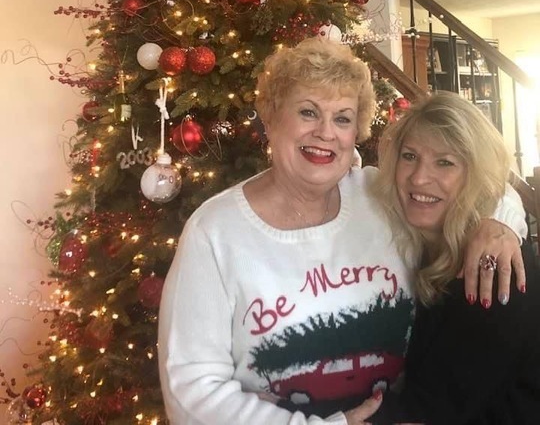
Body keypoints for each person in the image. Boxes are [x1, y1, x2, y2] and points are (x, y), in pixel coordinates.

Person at [158, 38, 527, 425]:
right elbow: (192, 393)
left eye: (342, 118)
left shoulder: (378, 195)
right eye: (308, 112)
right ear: (271, 118)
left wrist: (500, 222)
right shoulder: (215, 231)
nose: (325, 132)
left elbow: (476, 182)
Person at [367, 91, 540, 425]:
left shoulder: (491, 272)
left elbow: (425, 413)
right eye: (409, 156)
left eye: (444, 162)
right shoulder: (414, 242)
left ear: (476, 174)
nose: (419, 177)